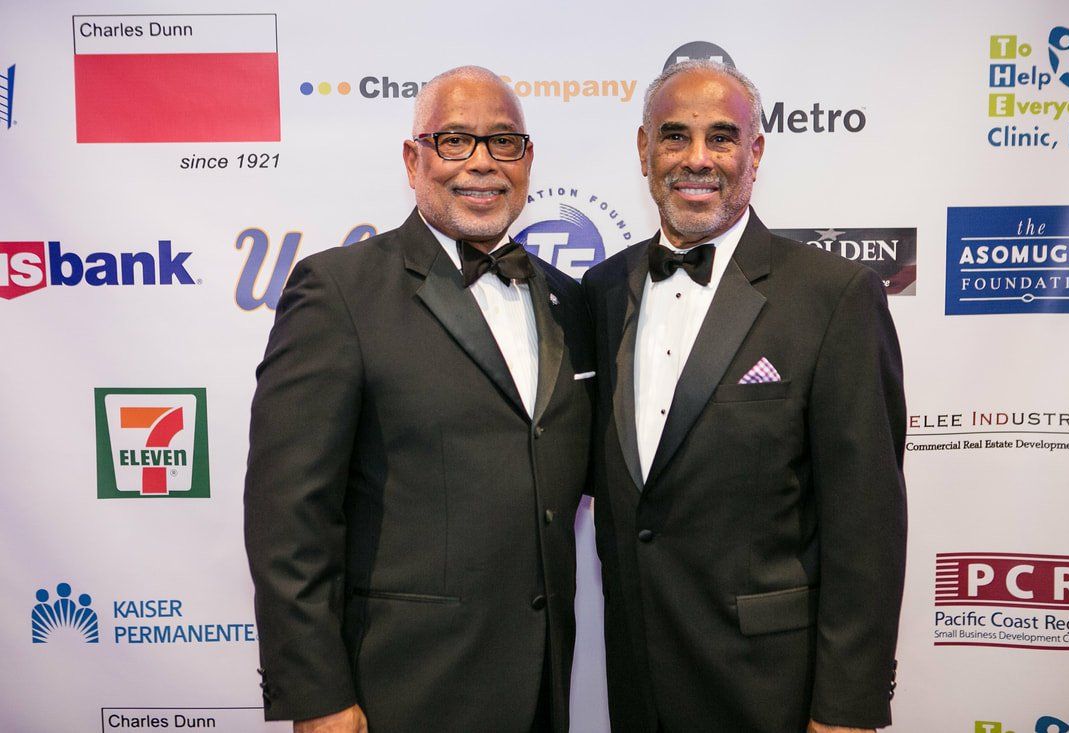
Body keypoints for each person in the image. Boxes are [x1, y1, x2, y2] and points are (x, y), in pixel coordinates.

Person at [244, 66, 594, 733]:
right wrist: (316, 694)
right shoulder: (339, 292)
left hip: (541, 687)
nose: (482, 163)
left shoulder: (566, 300)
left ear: (527, 160)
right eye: (455, 140)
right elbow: (288, 515)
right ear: (414, 160)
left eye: (504, 142)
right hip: (401, 690)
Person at [581, 59, 907, 732]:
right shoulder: (602, 289)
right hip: (638, 677)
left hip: (773, 688)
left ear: (755, 152)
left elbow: (866, 521)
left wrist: (848, 706)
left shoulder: (833, 296)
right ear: (644, 150)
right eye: (674, 136)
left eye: (722, 137)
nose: (697, 159)